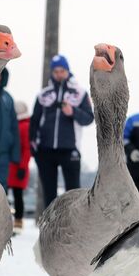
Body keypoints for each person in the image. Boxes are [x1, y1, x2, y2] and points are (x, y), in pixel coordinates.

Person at [31, 54, 94, 209]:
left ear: (67, 71)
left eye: (62, 71)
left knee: (73, 193)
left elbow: (89, 118)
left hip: (70, 149)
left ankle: (74, 229)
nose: (59, 74)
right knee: (49, 195)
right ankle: (48, 230)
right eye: (56, 71)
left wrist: (72, 111)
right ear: (52, 72)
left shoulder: (79, 93)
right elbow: (34, 121)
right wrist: (34, 147)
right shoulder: (43, 95)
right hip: (46, 150)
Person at [8, 101, 31, 232]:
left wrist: (22, 166)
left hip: (18, 167)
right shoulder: (16, 125)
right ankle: (13, 221)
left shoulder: (25, 126)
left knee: (17, 195)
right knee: (12, 194)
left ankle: (18, 222)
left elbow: (27, 149)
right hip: (11, 166)